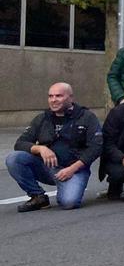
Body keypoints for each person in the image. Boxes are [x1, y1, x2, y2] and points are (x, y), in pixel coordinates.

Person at [6, 82, 103, 212]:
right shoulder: (42, 118)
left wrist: (72, 169)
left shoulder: (86, 117)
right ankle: (38, 197)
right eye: (50, 96)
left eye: (58, 96)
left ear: (70, 98)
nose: (53, 100)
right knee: (14, 159)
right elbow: (20, 143)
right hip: (47, 168)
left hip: (74, 170)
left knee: (69, 202)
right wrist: (40, 149)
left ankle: (67, 187)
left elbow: (96, 147)